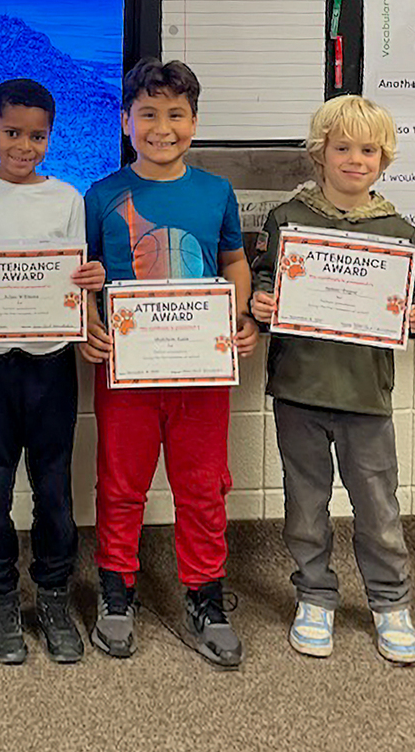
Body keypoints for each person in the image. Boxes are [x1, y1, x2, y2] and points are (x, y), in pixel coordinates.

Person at [81, 58, 259, 667]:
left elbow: (235, 264)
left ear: (194, 121)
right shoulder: (101, 195)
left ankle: (205, 593)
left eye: (176, 114)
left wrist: (240, 318)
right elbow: (83, 280)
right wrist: (89, 325)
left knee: (203, 486)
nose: (163, 127)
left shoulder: (216, 192)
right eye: (148, 113)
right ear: (126, 120)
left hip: (202, 375)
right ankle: (116, 589)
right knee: (121, 484)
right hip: (126, 373)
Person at [251, 95, 415, 664]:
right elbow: (260, 287)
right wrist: (261, 300)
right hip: (299, 388)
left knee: (377, 506)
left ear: (384, 158)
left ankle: (391, 603)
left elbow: (407, 297)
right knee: (305, 504)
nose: (355, 159)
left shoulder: (398, 228)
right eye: (342, 147)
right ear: (319, 153)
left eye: (368, 149)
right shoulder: (287, 221)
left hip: (365, 395)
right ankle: (316, 596)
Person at [0, 78, 104, 664]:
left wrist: (89, 288)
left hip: (51, 362)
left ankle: (55, 593)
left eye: (37, 136)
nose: (24, 146)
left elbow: (78, 278)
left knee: (54, 488)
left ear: (50, 138)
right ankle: (0, 595)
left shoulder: (67, 199)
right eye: (12, 133)